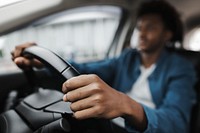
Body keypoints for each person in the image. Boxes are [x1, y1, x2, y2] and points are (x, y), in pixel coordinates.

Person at [11, 0, 196, 133]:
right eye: (140, 28)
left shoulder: (180, 68)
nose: (142, 33)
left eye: (151, 27)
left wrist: (126, 105)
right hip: (108, 123)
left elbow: (176, 122)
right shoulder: (128, 58)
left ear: (167, 35)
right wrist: (41, 62)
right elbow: (86, 69)